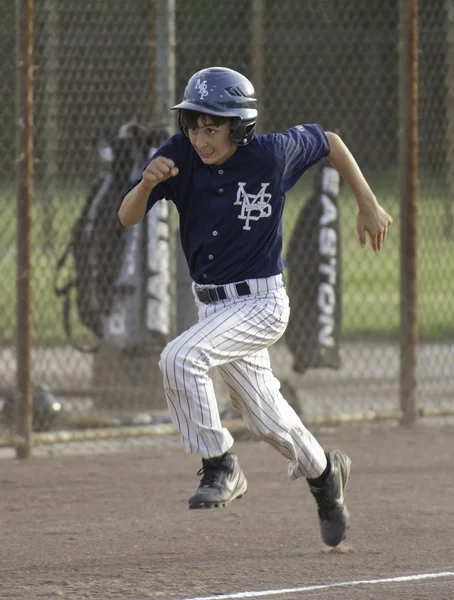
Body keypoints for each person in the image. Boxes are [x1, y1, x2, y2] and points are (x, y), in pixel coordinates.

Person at [118, 66, 392, 547]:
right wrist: (145, 184)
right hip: (215, 311)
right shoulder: (180, 154)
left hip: (263, 303)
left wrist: (366, 200)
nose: (201, 138)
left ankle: (221, 463)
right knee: (267, 419)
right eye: (194, 125)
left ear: (240, 126)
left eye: (213, 127)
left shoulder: (271, 154)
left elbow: (329, 141)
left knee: (180, 358)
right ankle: (326, 474)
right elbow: (127, 217)